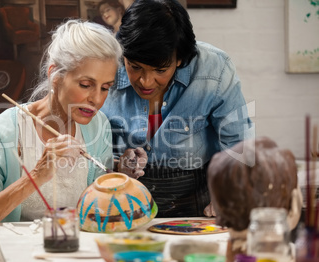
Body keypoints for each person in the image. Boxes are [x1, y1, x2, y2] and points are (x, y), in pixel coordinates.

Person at [0, 20, 122, 262]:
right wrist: (35, 177)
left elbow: (96, 213)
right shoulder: (5, 130)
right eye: (86, 85)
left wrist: (120, 178)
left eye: (105, 87)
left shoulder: (98, 126)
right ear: (55, 74)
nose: (96, 99)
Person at [101, 0, 255, 218]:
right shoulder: (106, 67)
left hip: (195, 200)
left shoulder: (214, 68)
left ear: (180, 59)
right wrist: (117, 164)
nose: (146, 81)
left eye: (160, 70)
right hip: (121, 198)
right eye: (135, 67)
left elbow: (239, 143)